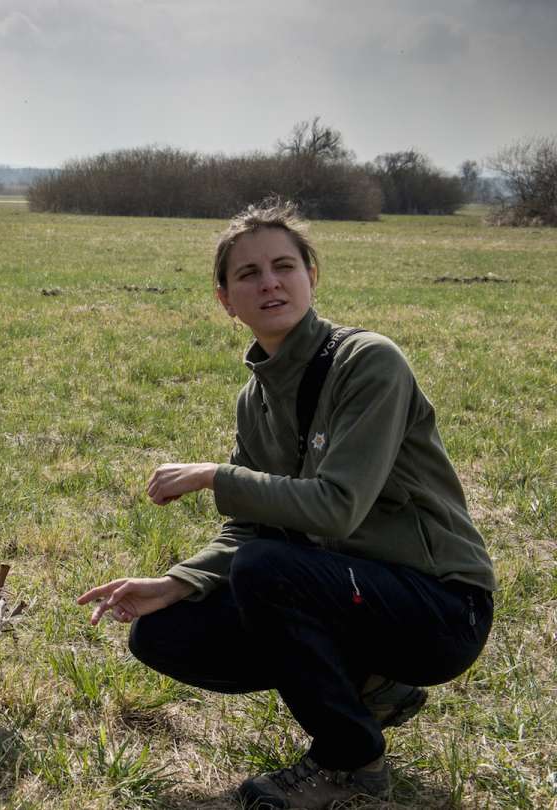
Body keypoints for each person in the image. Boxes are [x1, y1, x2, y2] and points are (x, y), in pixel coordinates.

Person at [78, 199, 494, 810]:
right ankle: (371, 684)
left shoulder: (368, 361)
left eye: (284, 266)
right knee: (161, 635)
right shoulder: (258, 396)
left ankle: (350, 758)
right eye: (248, 274)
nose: (269, 282)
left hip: (438, 607)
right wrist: (178, 581)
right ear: (225, 299)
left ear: (311, 276)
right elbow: (254, 524)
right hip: (345, 593)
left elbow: (334, 510)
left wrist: (215, 475)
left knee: (266, 570)